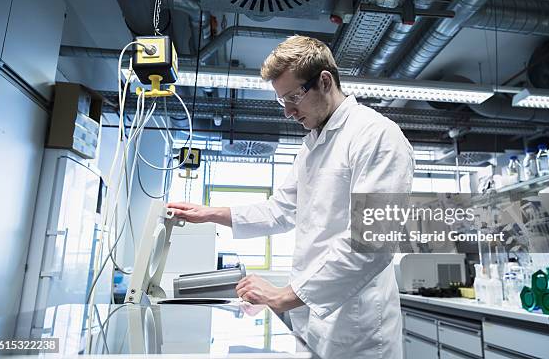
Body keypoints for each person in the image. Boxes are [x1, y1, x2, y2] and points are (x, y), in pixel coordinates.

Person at [168, 36, 414, 358]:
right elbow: (280, 211)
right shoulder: (312, 145)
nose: (288, 112)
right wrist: (209, 213)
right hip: (313, 320)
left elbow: (372, 243)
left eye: (293, 97)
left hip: (357, 326)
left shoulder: (377, 136)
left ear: (324, 81)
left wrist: (288, 295)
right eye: (281, 101)